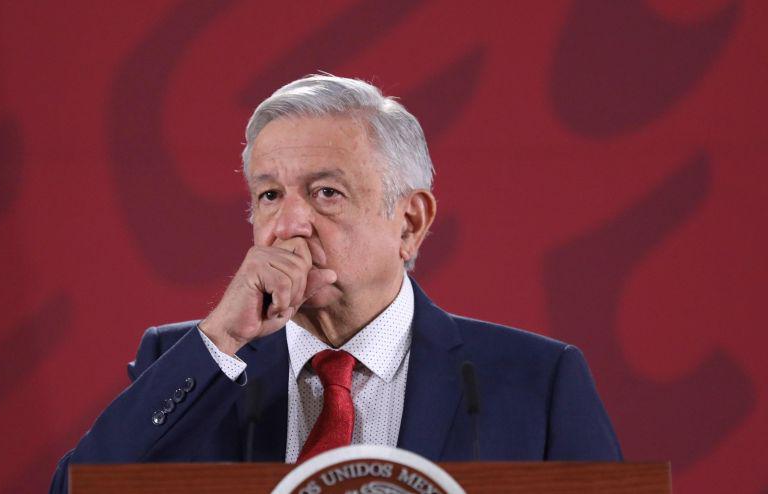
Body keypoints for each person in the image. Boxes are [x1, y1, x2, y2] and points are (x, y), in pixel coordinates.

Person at [51, 75, 621, 493]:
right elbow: (78, 491)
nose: (289, 225)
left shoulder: (536, 380)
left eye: (326, 192)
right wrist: (222, 338)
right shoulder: (193, 361)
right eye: (269, 195)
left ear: (410, 222)